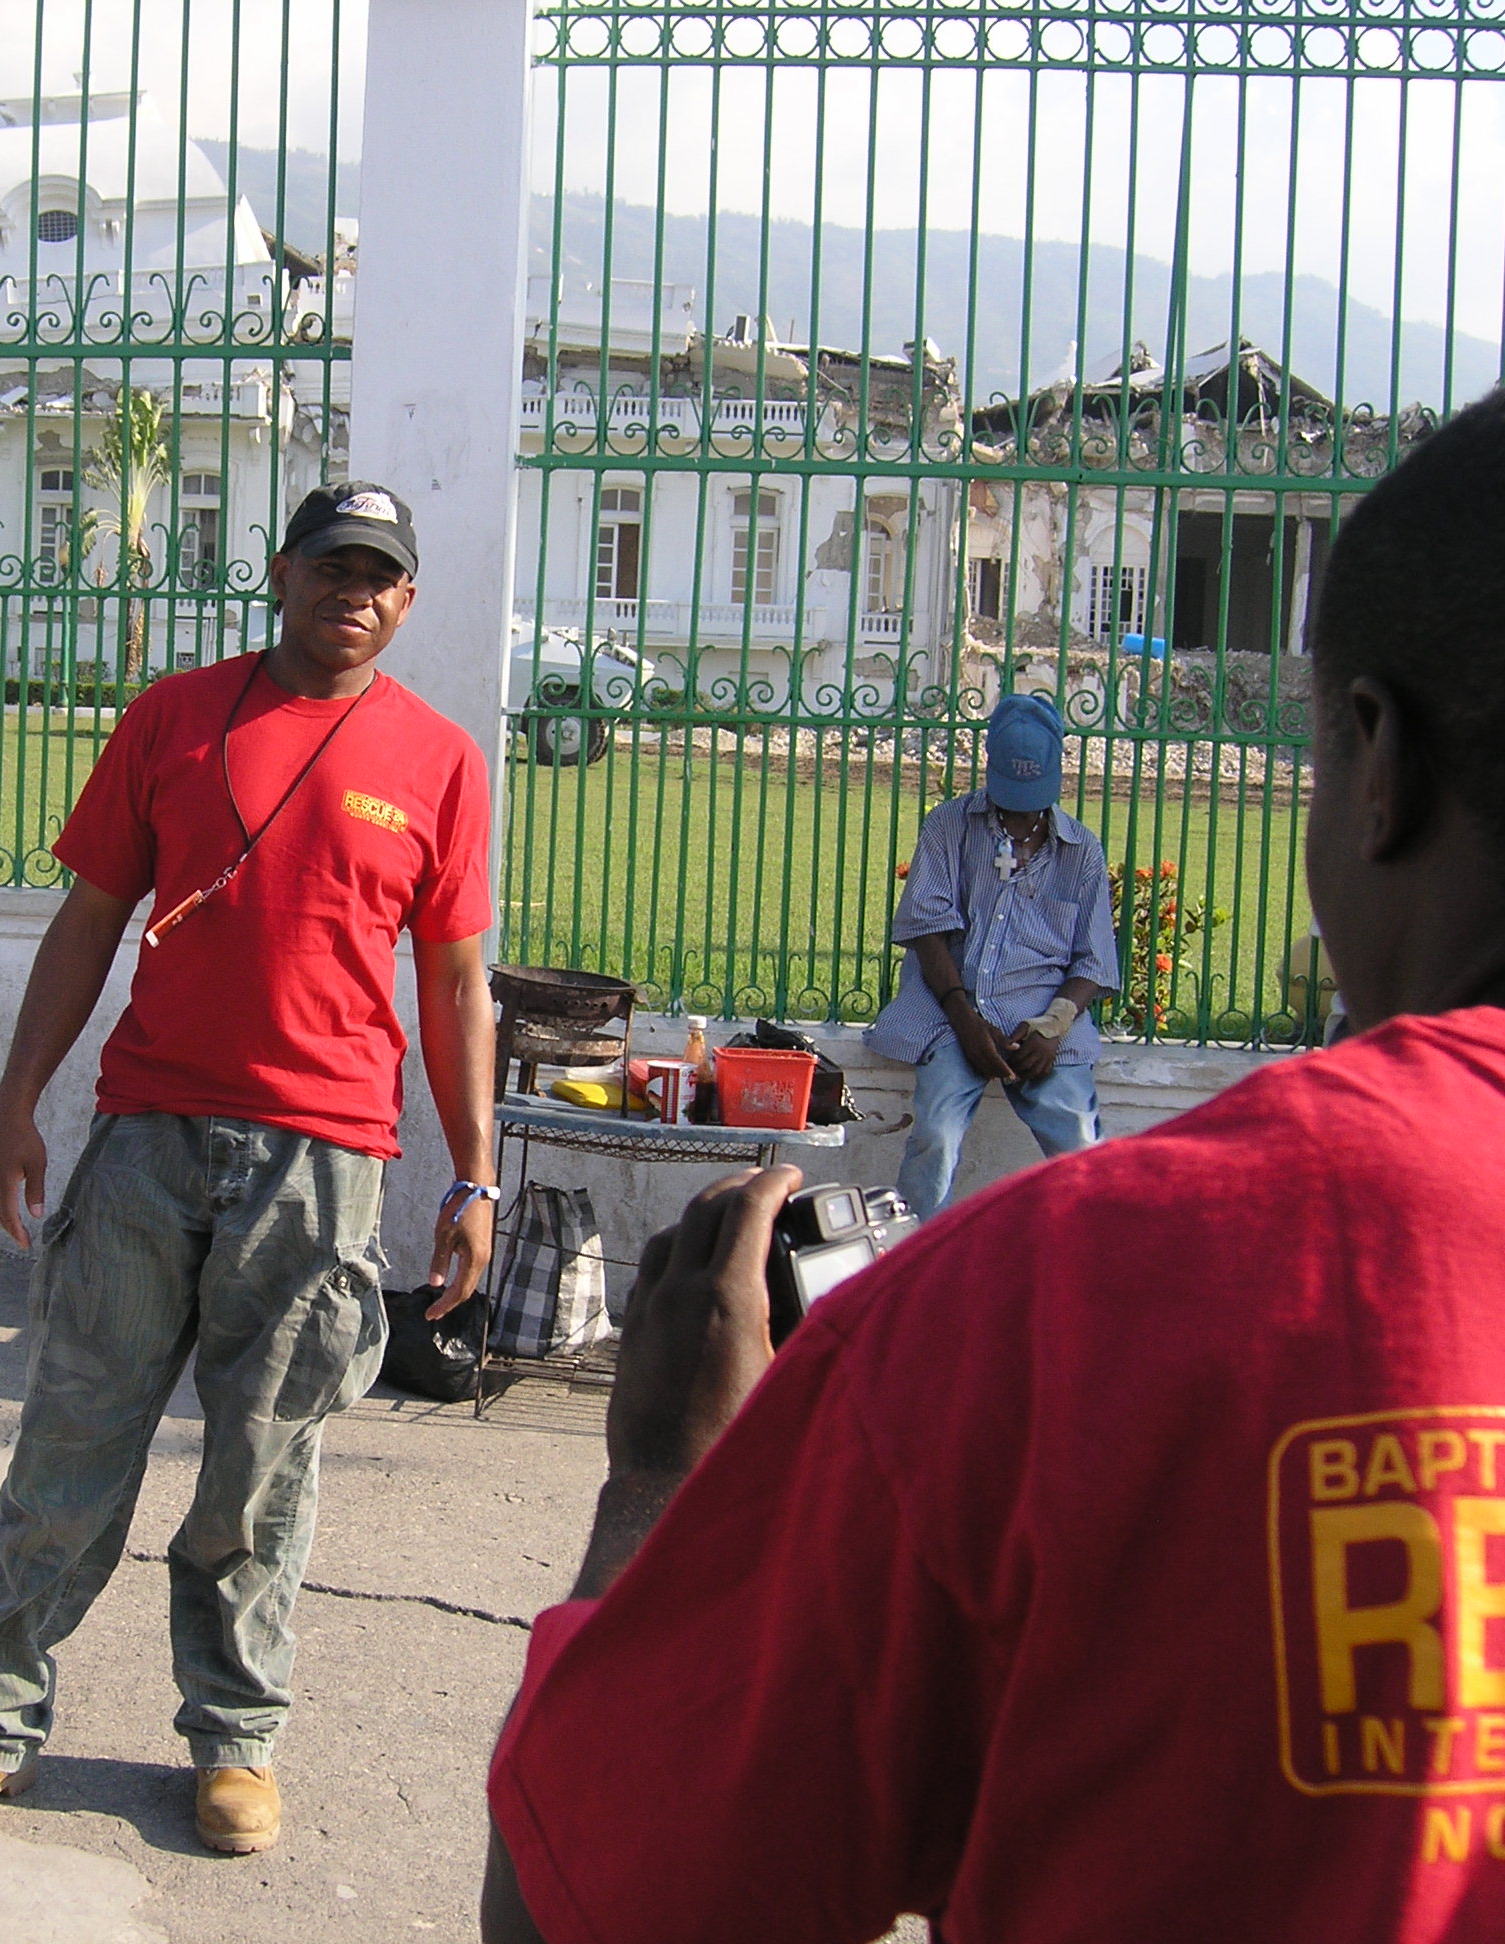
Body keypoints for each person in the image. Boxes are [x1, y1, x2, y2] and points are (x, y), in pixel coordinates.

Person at [476, 390, 1505, 1941]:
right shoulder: (962, 834)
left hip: (1050, 1061)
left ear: (1381, 765)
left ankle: (911, 1255)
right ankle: (931, 1212)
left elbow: (592, 1902)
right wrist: (983, 1026)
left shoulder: (1056, 1307)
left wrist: (663, 1491)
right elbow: (936, 943)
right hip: (963, 1029)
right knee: (945, 1129)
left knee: (1070, 1152)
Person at [0, 482, 499, 1857]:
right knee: (72, 1442)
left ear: (407, 602)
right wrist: (15, 1100)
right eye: (331, 565)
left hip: (323, 1162)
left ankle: (236, 1740)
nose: (353, 593)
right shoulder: (172, 718)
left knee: (261, 1472)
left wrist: (476, 1174)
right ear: (281, 573)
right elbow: (89, 917)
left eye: (380, 577)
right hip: (148, 1142)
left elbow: (459, 982)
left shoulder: (440, 760)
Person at [867, 692, 1121, 1216]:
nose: (1019, 814)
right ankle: (916, 1252)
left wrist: (1052, 1026)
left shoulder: (1082, 851)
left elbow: (1093, 962)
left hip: (1042, 1023)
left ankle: (1091, 1254)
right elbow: (927, 932)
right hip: (951, 1010)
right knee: (935, 1136)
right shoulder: (948, 826)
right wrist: (965, 1022)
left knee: (1078, 1141)